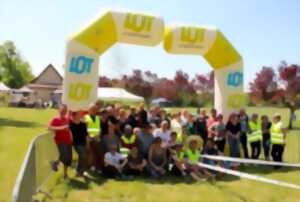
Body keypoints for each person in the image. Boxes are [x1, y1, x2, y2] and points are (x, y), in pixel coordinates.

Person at [48, 104, 73, 179]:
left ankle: (65, 174)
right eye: (62, 111)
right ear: (59, 110)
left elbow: (68, 129)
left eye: (65, 111)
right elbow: (49, 127)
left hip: (68, 141)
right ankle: (54, 163)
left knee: (68, 159)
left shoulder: (67, 119)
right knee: (64, 156)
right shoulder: (55, 119)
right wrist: (62, 128)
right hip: (60, 141)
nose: (64, 112)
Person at [69, 111, 88, 177]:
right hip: (75, 143)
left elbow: (86, 134)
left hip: (83, 142)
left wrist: (87, 142)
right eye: (78, 114)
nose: (80, 115)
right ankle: (79, 171)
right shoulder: (70, 124)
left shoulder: (83, 124)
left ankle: (80, 171)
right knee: (82, 155)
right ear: (74, 116)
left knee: (83, 156)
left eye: (80, 114)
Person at [85, 104, 102, 170]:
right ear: (89, 110)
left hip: (97, 138)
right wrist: (88, 137)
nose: (94, 111)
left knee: (96, 152)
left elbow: (99, 128)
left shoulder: (98, 118)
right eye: (92, 109)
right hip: (89, 138)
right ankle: (88, 167)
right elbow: (84, 129)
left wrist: (98, 135)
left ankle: (95, 166)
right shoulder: (86, 117)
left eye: (95, 109)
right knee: (89, 153)